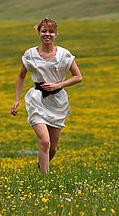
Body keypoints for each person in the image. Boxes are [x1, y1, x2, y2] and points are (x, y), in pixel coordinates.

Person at [11, 18, 82, 173]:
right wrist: (16, 100)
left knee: (53, 148)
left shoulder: (64, 54)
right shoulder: (30, 54)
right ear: (39, 33)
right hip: (36, 100)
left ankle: (40, 167)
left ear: (56, 34)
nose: (47, 34)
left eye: (50, 31)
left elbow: (78, 77)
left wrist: (58, 85)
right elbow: (21, 76)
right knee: (44, 141)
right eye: (44, 31)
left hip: (58, 102)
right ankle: (44, 181)